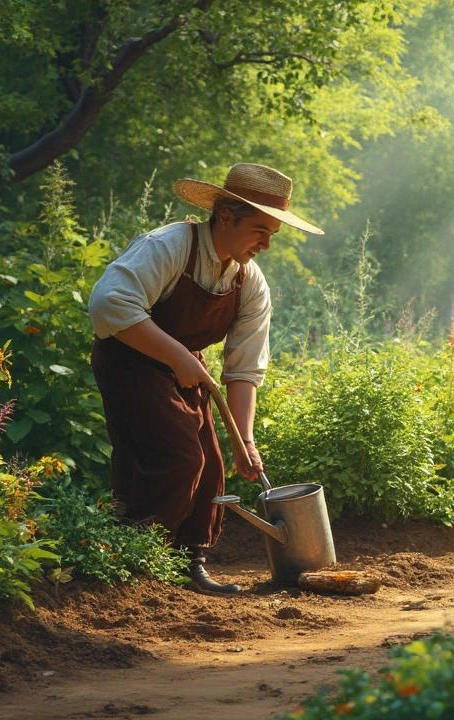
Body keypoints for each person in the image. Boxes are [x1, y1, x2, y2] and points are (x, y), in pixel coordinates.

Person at [87, 162, 323, 595]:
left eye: (274, 234)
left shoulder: (250, 282)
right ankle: (136, 558)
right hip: (128, 360)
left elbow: (243, 368)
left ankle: (187, 561)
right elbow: (108, 304)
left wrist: (244, 441)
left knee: (211, 463)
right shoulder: (168, 246)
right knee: (177, 457)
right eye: (261, 230)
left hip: (184, 368)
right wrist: (177, 355)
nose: (267, 245)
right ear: (227, 217)